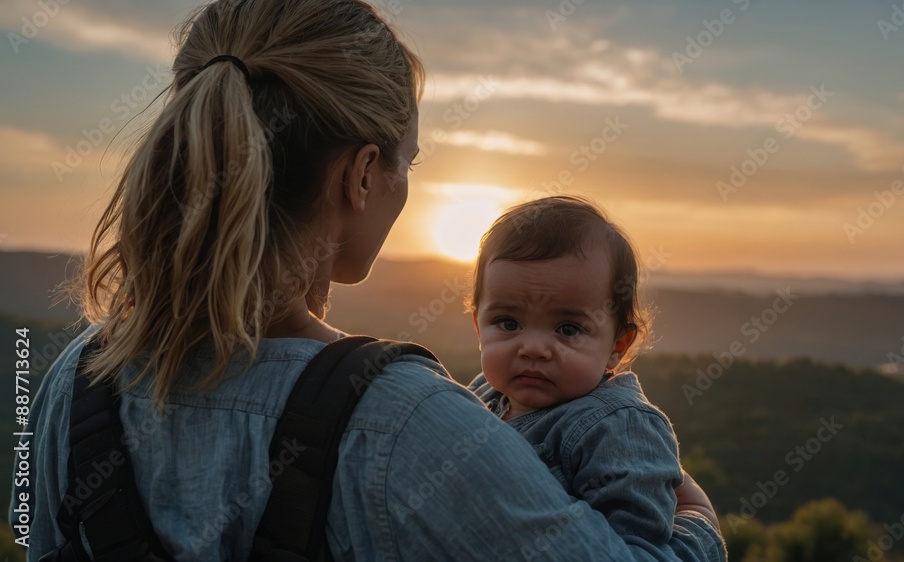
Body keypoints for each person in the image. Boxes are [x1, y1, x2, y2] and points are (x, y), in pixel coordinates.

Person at [9, 0, 726, 560]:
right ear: (359, 175)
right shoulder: (404, 421)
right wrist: (696, 520)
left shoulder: (78, 378)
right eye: (406, 164)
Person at [467, 196, 715, 548]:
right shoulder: (480, 393)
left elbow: (633, 550)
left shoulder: (617, 427)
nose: (534, 348)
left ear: (617, 345)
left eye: (568, 329)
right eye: (508, 323)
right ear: (478, 326)